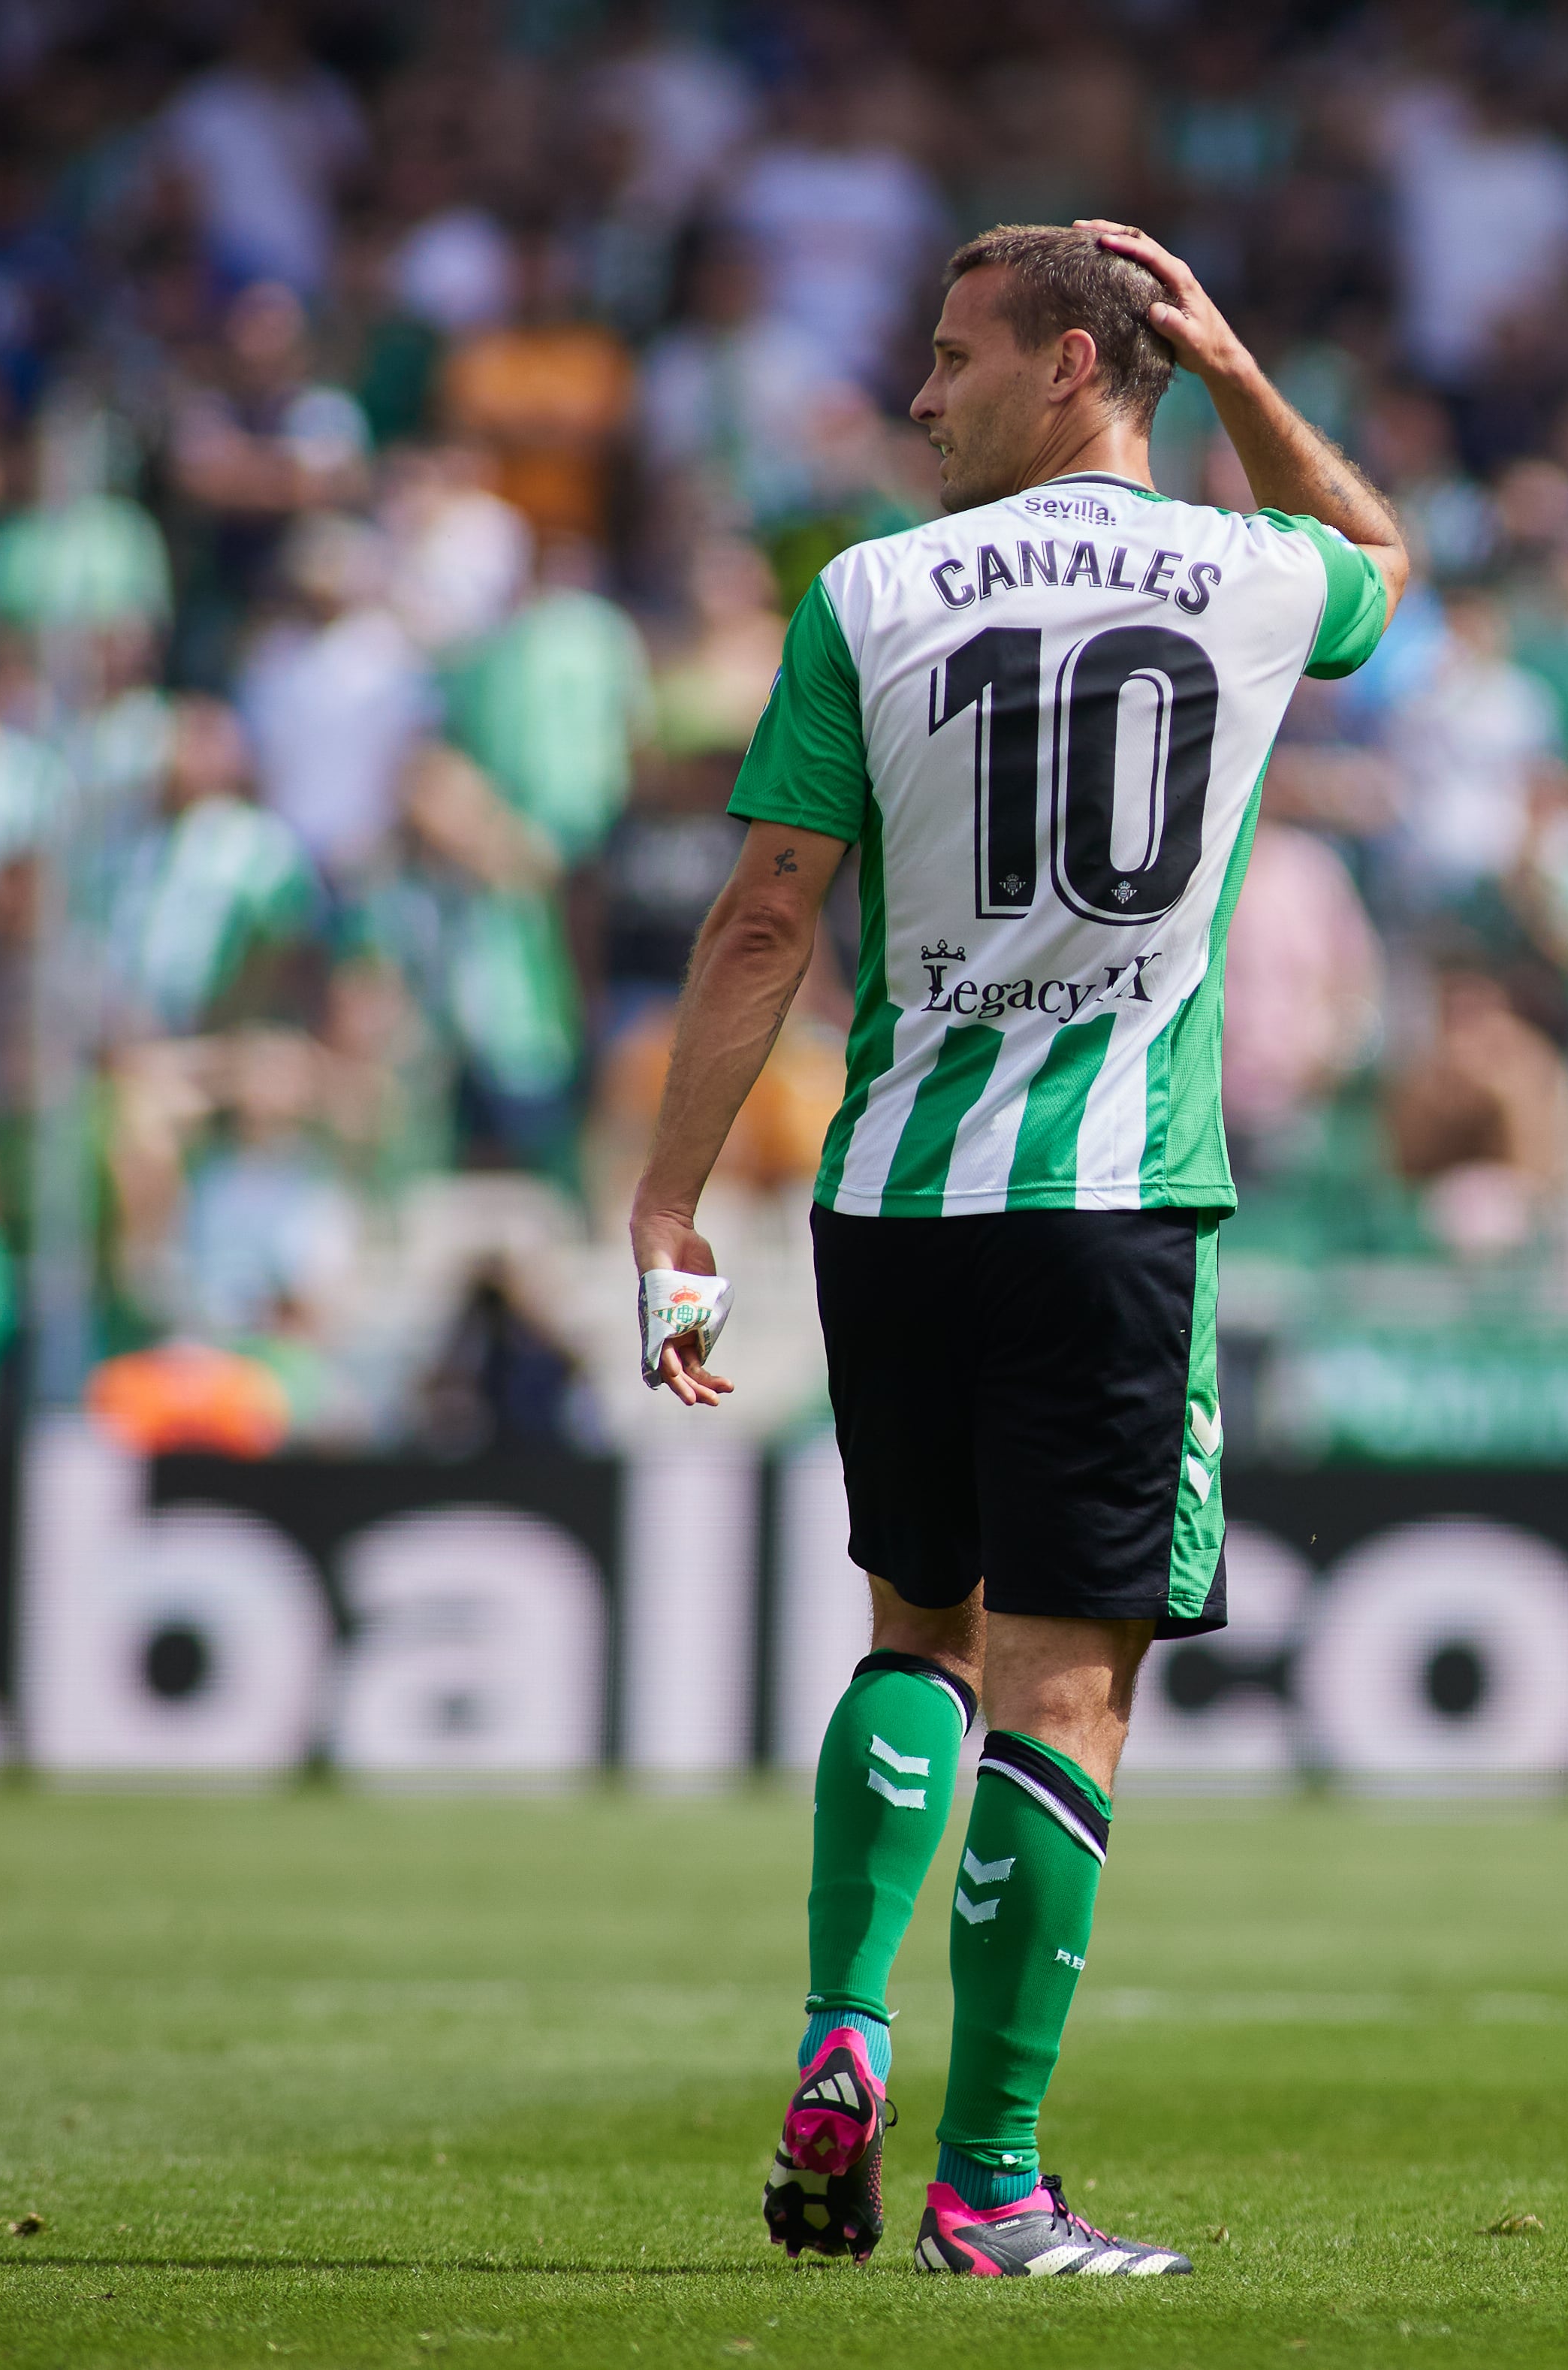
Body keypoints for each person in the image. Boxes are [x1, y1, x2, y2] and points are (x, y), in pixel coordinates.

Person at [625, 220, 1405, 2281]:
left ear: (1072, 363)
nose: (917, 395)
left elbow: (767, 919)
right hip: (1111, 1205)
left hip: (891, 1196)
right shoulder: (1249, 579)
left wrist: (669, 1198)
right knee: (1065, 1697)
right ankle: (987, 2184)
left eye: (953, 356)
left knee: (916, 1642)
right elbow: (1386, 570)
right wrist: (1239, 373)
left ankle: (843, 2020)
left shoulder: (864, 595)